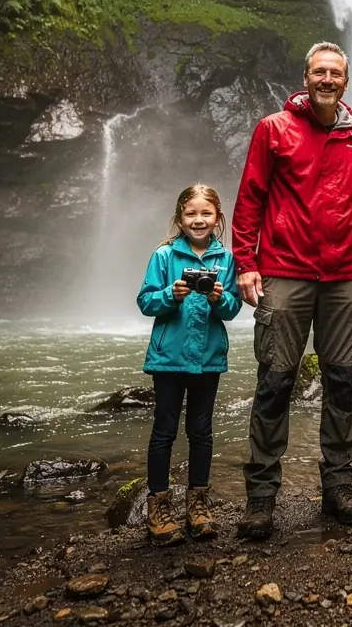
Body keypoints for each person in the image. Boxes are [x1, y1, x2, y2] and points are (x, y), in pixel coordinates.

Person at [232, 41, 352, 539]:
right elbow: (250, 195)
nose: (326, 79)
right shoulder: (273, 129)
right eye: (319, 71)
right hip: (285, 272)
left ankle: (338, 487)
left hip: (342, 276)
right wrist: (245, 264)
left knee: (341, 381)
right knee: (275, 381)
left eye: (335, 72)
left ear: (345, 80)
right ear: (305, 76)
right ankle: (261, 498)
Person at [136, 183, 242, 545]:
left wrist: (218, 297)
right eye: (191, 214)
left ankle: (198, 505)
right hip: (168, 359)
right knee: (164, 430)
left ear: (217, 218)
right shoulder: (164, 256)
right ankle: (159, 508)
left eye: (206, 214)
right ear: (180, 218)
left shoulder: (225, 259)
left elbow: (233, 309)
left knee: (201, 432)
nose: (198, 220)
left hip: (207, 360)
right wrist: (171, 294)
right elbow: (145, 302)